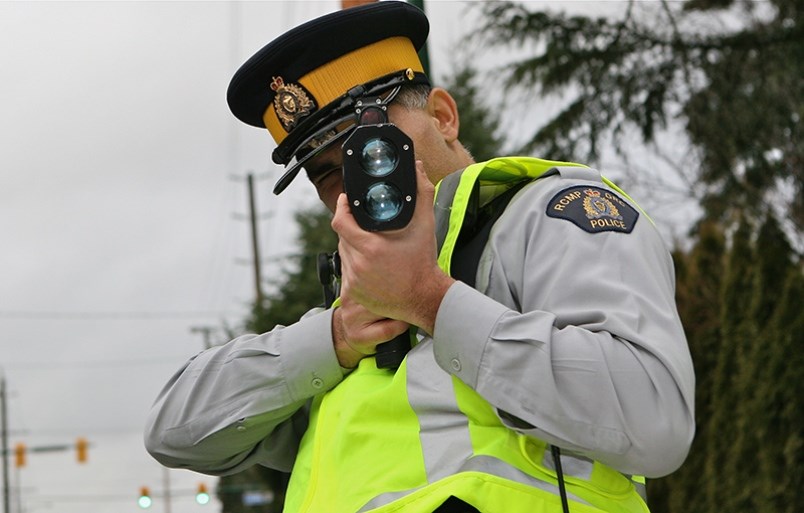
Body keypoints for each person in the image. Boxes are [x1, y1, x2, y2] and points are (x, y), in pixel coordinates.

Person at [144, 3, 695, 513]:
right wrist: (335, 337)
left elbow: (653, 419)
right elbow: (174, 431)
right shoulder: (347, 325)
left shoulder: (545, 215)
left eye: (369, 148)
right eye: (324, 172)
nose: (352, 184)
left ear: (443, 115)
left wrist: (431, 303)